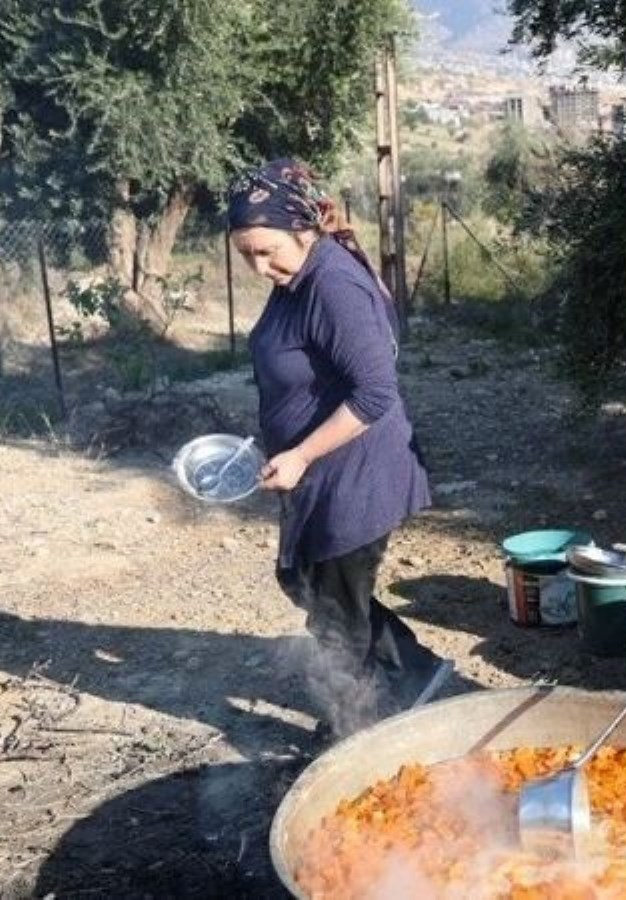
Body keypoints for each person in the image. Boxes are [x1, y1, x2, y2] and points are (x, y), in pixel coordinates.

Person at [227, 158, 451, 737]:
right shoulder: (295, 276)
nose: (259, 266)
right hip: (318, 474)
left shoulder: (333, 284)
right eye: (246, 253)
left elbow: (375, 393)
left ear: (302, 227)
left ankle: (352, 729)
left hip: (356, 474)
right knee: (308, 584)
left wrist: (301, 453)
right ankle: (418, 675)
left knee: (334, 612)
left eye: (267, 249)